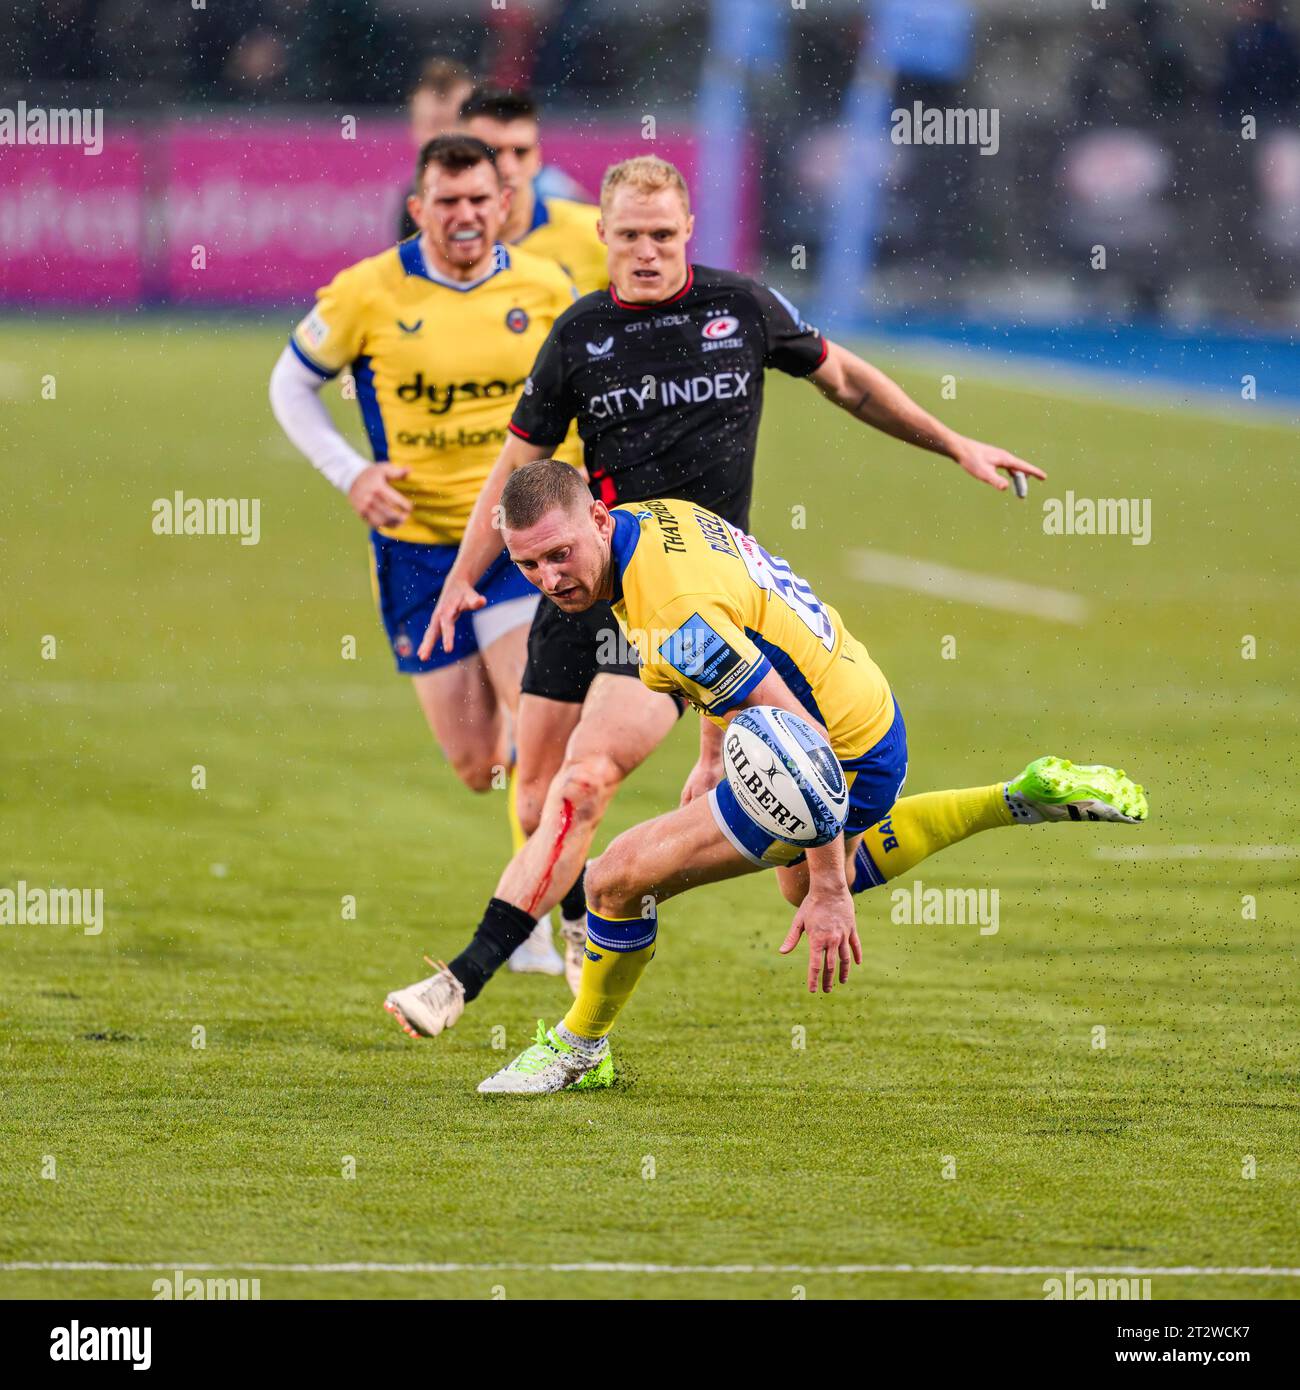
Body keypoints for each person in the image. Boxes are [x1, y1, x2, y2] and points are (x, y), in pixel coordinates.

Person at [381, 154, 1047, 1041]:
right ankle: (585, 922)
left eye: (662, 234)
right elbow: (518, 471)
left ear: (688, 229)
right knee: (535, 793)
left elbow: (846, 382)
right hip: (577, 576)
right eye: (628, 237)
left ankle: (474, 979)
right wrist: (466, 573)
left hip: (681, 596)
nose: (647, 252)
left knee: (586, 785)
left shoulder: (741, 309)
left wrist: (952, 440)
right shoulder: (580, 336)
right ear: (603, 238)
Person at [475, 464, 1148, 1093]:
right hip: (865, 708)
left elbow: (802, 748)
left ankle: (578, 1050)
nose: (549, 577)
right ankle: (1018, 800)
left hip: (833, 752)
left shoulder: (670, 615)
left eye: (558, 554)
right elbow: (740, 630)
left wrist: (831, 892)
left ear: (595, 516)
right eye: (528, 564)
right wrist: (711, 759)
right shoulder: (656, 521)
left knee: (614, 879)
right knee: (794, 880)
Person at [270, 137, 580, 972]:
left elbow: (586, 392)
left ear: (502, 202)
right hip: (415, 550)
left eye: (480, 199)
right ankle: (535, 826)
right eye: (448, 202)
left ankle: (551, 921)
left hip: (520, 545)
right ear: (420, 208)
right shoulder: (368, 291)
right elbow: (289, 382)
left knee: (538, 723)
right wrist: (350, 473)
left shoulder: (546, 289)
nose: (467, 215)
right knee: (478, 763)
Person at [459, 87, 608, 294]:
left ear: (537, 156)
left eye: (521, 152)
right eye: (491, 152)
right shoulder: (430, 251)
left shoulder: (599, 235)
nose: (508, 168)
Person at [397, 57, 475, 241]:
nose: (443, 137)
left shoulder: (536, 191)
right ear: (413, 130)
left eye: (453, 122)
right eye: (432, 125)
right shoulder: (414, 202)